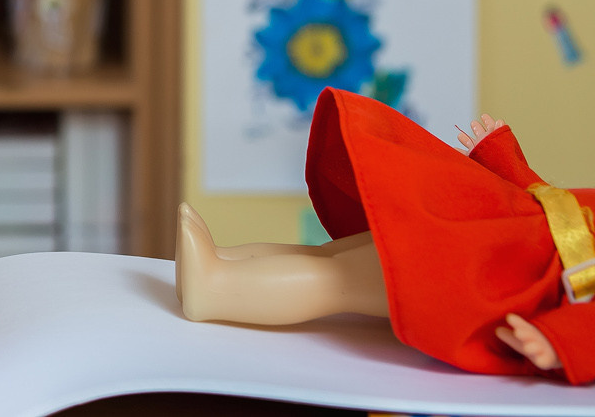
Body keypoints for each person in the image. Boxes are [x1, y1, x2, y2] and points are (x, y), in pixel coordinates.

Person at [177, 87, 595, 384]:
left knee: (344, 279)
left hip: (491, 277)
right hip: (491, 231)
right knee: (339, 255)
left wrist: (557, 343)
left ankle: (217, 287)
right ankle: (225, 260)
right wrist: (501, 154)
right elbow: (558, 206)